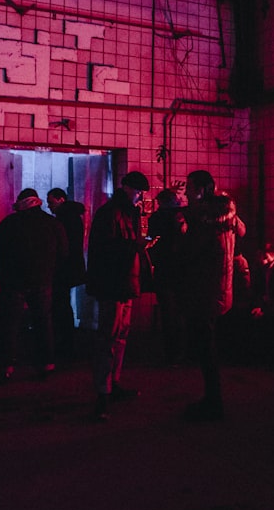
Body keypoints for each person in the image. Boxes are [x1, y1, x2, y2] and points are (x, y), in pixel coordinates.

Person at [179, 169, 245, 421]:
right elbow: (243, 231)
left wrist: (180, 234)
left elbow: (189, 253)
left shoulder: (204, 221)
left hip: (204, 290)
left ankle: (213, 403)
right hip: (220, 289)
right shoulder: (226, 218)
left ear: (203, 189)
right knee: (209, 345)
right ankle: (212, 399)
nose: (186, 191)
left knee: (206, 348)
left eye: (189, 186)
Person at [86, 170, 149, 422]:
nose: (140, 196)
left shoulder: (124, 212)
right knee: (109, 337)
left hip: (122, 282)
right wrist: (136, 245)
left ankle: (112, 383)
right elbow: (106, 249)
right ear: (125, 188)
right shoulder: (111, 213)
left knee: (118, 336)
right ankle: (104, 390)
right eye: (137, 191)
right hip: (114, 284)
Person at [0, 188, 68, 381]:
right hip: (42, 280)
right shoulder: (52, 224)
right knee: (43, 322)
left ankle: (6, 365)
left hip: (13, 281)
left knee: (9, 324)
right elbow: (63, 253)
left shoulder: (9, 224)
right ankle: (46, 362)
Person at [47, 187, 88, 362]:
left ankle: (65, 344)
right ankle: (67, 344)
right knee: (63, 304)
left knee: (61, 305)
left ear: (60, 199)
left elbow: (63, 246)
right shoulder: (73, 216)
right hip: (71, 267)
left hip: (64, 268)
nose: (49, 206)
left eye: (51, 202)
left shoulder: (64, 218)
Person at [146, 188, 187, 366]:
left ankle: (171, 353)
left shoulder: (156, 218)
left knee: (168, 314)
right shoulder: (182, 217)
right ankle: (182, 352)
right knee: (181, 313)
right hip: (182, 271)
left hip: (164, 271)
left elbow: (154, 243)